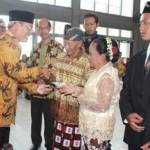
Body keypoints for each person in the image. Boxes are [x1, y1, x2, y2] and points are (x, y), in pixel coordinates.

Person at [0, 10, 51, 149]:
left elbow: (12, 78)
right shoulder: (8, 45)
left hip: (5, 106)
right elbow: (18, 73)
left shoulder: (11, 43)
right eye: (28, 29)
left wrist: (35, 88)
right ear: (17, 24)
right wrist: (41, 70)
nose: (29, 33)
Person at [61, 37, 121, 150]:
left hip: (97, 130)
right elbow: (92, 92)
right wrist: (75, 89)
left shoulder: (106, 77)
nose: (88, 57)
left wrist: (79, 96)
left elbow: (102, 106)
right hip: (90, 126)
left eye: (92, 54)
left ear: (102, 56)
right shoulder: (98, 71)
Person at [51, 27, 91, 150]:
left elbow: (91, 87)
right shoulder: (60, 57)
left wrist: (75, 88)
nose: (66, 46)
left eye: (69, 43)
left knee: (73, 146)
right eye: (65, 42)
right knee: (58, 145)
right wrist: (48, 76)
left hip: (76, 116)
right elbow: (53, 76)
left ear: (79, 44)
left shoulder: (88, 62)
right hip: (59, 111)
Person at [27, 18, 63, 150]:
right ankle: (36, 143)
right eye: (40, 28)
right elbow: (29, 67)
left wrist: (47, 79)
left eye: (45, 28)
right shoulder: (35, 48)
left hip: (50, 92)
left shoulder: (58, 47)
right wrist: (36, 78)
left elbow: (60, 69)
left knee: (49, 121)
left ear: (50, 29)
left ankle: (49, 144)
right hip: (36, 91)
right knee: (35, 120)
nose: (42, 31)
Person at [119, 1, 150, 149]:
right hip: (135, 136)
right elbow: (125, 92)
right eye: (140, 23)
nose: (141, 28)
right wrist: (128, 115)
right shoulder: (137, 59)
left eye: (146, 23)